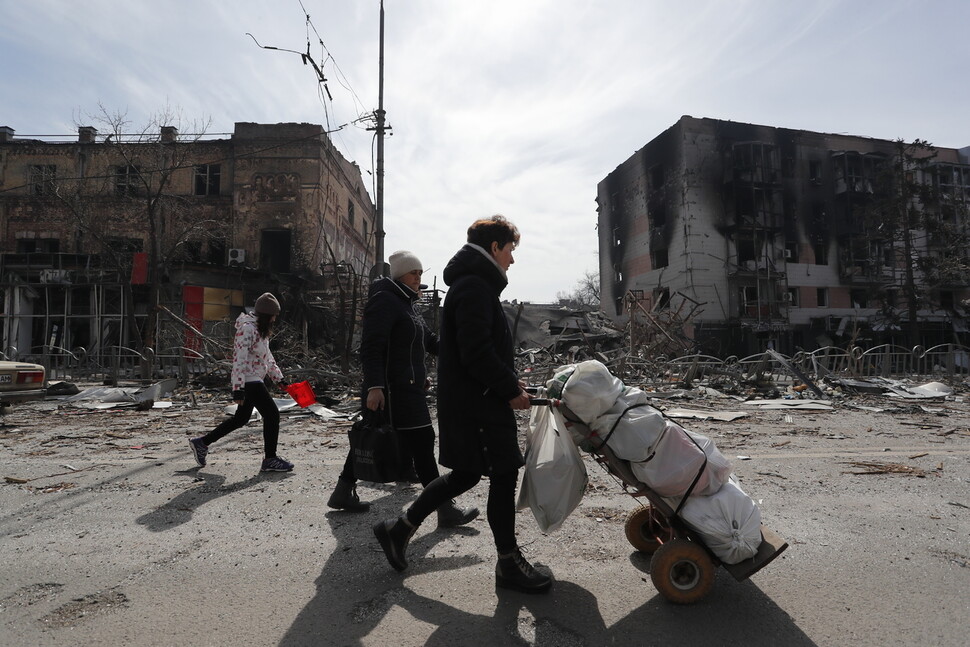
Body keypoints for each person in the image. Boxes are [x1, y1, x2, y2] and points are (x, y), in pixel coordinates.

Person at [373, 216, 553, 593]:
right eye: (510, 251)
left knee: (468, 474)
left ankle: (399, 529)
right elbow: (476, 352)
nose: (512, 260)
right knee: (502, 474)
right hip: (480, 405)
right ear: (493, 249)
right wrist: (507, 390)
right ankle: (508, 565)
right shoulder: (473, 287)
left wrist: (509, 381)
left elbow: (475, 350)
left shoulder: (475, 286)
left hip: (475, 400)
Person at [328, 251, 479, 528]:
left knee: (373, 435)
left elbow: (427, 341)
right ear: (399, 274)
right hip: (392, 390)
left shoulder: (406, 303)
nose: (418, 279)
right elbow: (372, 347)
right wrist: (375, 386)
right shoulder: (385, 301)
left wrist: (461, 349)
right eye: (414, 273)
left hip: (406, 387)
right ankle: (444, 508)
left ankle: (342, 492)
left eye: (421, 274)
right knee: (422, 443)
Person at [189, 292, 294, 473]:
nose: (275, 319)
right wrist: (238, 388)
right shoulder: (247, 329)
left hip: (255, 379)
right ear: (267, 314)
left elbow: (267, 359)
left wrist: (280, 379)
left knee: (241, 418)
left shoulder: (260, 332)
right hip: (249, 381)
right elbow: (239, 359)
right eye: (274, 315)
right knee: (272, 415)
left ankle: (202, 443)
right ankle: (270, 459)